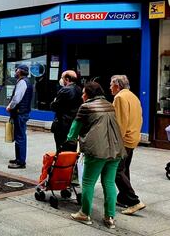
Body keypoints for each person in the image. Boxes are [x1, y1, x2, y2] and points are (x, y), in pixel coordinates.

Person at [66, 82, 126, 229]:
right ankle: (109, 217)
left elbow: (74, 130)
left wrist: (70, 138)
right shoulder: (109, 104)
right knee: (109, 182)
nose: (82, 95)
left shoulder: (86, 107)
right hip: (116, 149)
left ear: (89, 94)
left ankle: (84, 214)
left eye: (84, 92)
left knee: (87, 182)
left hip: (97, 150)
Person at [110, 75, 146, 215]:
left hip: (123, 140)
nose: (110, 87)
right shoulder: (133, 96)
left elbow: (120, 122)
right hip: (133, 138)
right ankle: (123, 197)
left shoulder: (119, 98)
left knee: (116, 171)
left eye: (111, 84)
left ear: (117, 86)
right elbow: (139, 118)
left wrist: (115, 142)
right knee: (124, 169)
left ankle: (134, 201)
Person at [6, 64, 33, 169]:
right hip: (22, 112)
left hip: (20, 113)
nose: (15, 71)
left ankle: (21, 162)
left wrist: (9, 106)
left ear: (20, 71)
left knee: (20, 137)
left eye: (16, 70)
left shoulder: (22, 82)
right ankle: (18, 158)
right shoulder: (26, 81)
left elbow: (17, 98)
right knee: (19, 136)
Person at [50, 70, 83, 151]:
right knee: (72, 146)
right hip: (73, 123)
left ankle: (62, 163)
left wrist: (54, 102)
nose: (61, 80)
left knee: (61, 147)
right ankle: (70, 163)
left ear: (67, 79)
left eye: (62, 77)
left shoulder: (65, 90)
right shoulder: (79, 89)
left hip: (63, 124)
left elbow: (54, 106)